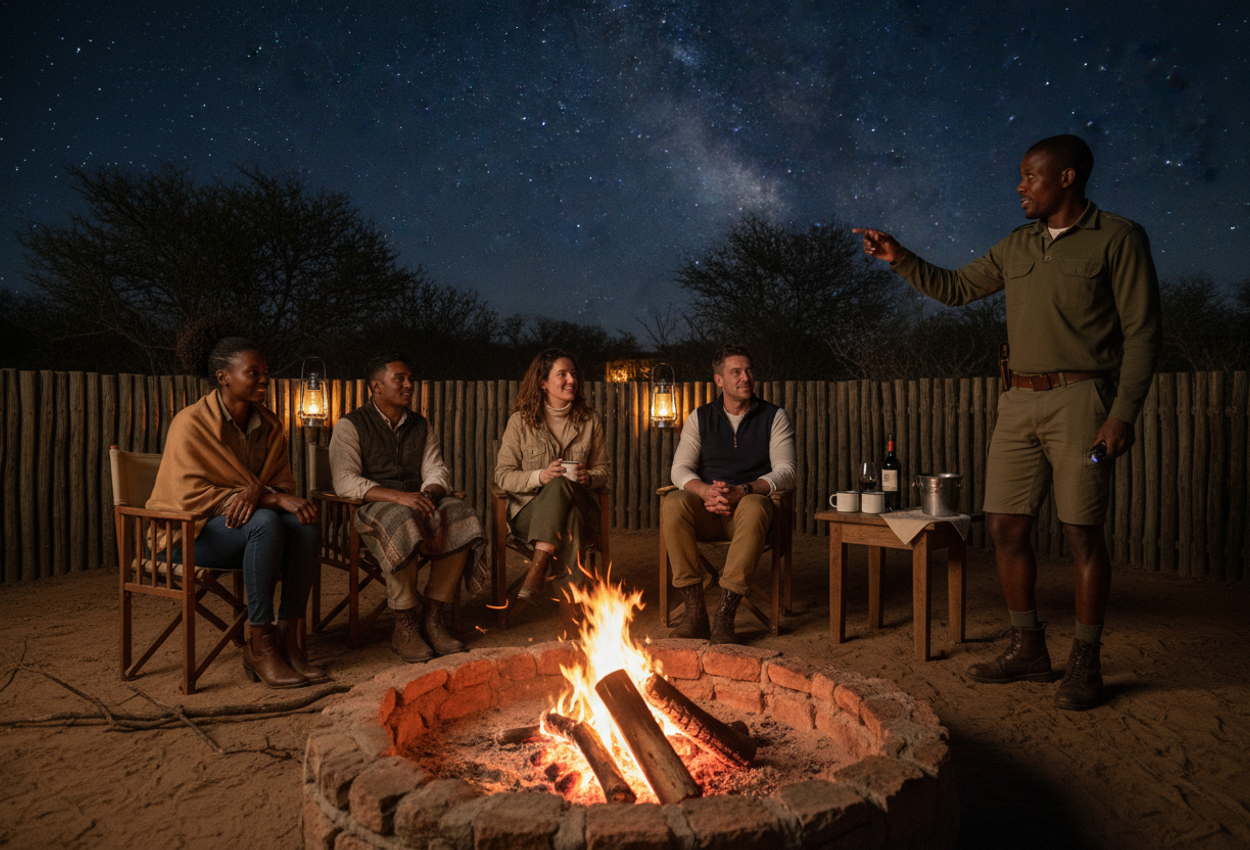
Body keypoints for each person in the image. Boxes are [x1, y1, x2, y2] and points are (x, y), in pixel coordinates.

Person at [853, 134, 1162, 711]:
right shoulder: (1017, 245)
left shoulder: (1118, 237)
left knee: (1081, 532)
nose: (1019, 187)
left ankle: (1086, 662)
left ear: (1066, 178)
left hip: (1083, 406)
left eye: (1030, 176)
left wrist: (1122, 414)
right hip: (1017, 403)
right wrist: (900, 258)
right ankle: (1029, 649)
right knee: (1004, 527)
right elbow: (955, 289)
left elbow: (1144, 332)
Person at [147, 337, 325, 689]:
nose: (263, 380)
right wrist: (266, 499)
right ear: (223, 377)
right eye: (253, 373)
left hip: (242, 531)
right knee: (265, 520)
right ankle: (260, 643)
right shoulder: (191, 423)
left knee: (305, 523)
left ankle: (289, 638)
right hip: (187, 534)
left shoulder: (271, 425)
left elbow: (278, 484)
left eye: (266, 373)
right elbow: (188, 496)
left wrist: (259, 491)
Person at [329, 353, 487, 662]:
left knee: (459, 513)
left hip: (416, 502)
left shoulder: (421, 425)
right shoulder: (350, 425)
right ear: (377, 386)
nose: (408, 385)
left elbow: (437, 470)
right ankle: (404, 624)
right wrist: (397, 497)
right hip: (369, 512)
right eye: (399, 379)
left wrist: (428, 492)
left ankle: (433, 615)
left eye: (410, 379)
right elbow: (345, 481)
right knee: (403, 518)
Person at [662, 344, 796, 645]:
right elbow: (680, 468)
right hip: (708, 511)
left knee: (755, 506)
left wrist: (745, 490)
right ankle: (695, 612)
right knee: (674, 502)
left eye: (748, 371)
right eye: (736, 372)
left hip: (750, 517)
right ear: (719, 380)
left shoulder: (774, 417)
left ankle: (725, 614)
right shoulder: (700, 417)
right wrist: (705, 491)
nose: (745, 377)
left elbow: (787, 471)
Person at [494, 348, 610, 630]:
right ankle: (572, 615)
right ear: (543, 382)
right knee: (566, 513)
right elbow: (502, 476)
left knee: (566, 492)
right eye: (562, 374)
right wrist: (539, 476)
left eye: (574, 374)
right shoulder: (520, 422)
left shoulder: (589, 420)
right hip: (530, 515)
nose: (572, 380)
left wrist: (588, 478)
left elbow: (603, 471)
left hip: (582, 505)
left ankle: (539, 566)